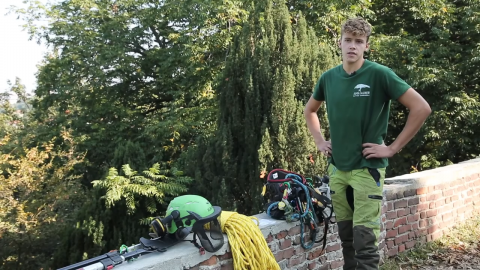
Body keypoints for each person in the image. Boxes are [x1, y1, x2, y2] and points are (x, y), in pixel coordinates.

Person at [304, 17, 431, 270]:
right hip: (337, 168)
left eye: (358, 41)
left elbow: (421, 108)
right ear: (339, 42)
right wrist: (320, 141)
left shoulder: (379, 74)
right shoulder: (328, 78)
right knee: (346, 236)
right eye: (348, 40)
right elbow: (310, 111)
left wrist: (392, 148)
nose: (352, 46)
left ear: (366, 46)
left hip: (367, 168)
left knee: (364, 238)